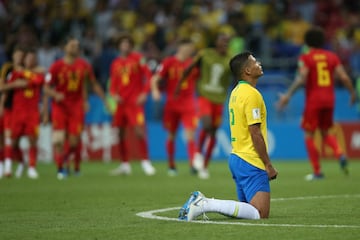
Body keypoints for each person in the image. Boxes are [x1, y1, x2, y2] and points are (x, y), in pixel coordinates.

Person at [178, 52, 278, 221]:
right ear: (247, 70)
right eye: (254, 62)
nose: (259, 63)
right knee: (260, 213)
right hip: (251, 160)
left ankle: (205, 204)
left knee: (247, 211)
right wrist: (268, 164)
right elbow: (255, 132)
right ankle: (205, 204)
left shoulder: (236, 92)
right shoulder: (252, 94)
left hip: (237, 158)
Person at [277, 27, 356, 181]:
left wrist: (288, 95)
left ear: (307, 42)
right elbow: (344, 77)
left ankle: (317, 171)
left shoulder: (307, 57)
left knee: (309, 134)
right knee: (326, 132)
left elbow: (302, 79)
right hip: (330, 100)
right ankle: (340, 153)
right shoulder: (332, 56)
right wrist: (352, 93)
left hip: (314, 100)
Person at [44, 36, 107, 180]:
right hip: (60, 106)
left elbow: (93, 84)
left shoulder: (84, 66)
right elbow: (46, 88)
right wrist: (55, 94)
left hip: (76, 107)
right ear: (65, 48)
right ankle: (60, 168)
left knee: (73, 141)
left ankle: (66, 161)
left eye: (77, 46)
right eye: (71, 45)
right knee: (59, 139)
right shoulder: (56, 66)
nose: (74, 48)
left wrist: (104, 100)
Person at [178, 33, 233, 179]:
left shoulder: (230, 59)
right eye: (222, 42)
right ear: (216, 42)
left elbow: (236, 75)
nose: (224, 45)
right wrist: (180, 83)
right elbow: (190, 67)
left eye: (227, 43)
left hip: (219, 100)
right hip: (205, 97)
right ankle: (197, 154)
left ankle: (204, 166)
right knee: (207, 125)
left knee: (213, 133)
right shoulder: (205, 54)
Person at [109, 34, 155, 176]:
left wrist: (144, 93)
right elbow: (113, 84)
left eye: (128, 43)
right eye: (123, 44)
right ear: (119, 46)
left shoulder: (138, 59)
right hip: (121, 103)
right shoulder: (115, 63)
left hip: (134, 103)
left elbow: (148, 77)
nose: (125, 46)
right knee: (121, 133)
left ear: (131, 45)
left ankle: (146, 162)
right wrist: (113, 94)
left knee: (139, 131)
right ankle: (125, 164)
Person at [151, 39, 199, 176]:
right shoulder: (169, 62)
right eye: (188, 48)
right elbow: (155, 78)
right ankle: (171, 165)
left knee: (190, 134)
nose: (190, 51)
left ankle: (193, 165)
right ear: (181, 47)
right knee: (171, 135)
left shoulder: (193, 64)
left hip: (188, 103)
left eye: (191, 49)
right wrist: (155, 91)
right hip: (172, 104)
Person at [1, 49, 45, 179]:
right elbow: (5, 88)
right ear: (24, 60)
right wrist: (15, 84)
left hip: (32, 113)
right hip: (17, 112)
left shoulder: (36, 74)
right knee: (13, 142)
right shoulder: (14, 73)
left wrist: (25, 78)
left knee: (32, 140)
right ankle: (21, 162)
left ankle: (32, 168)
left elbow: (38, 81)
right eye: (28, 58)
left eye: (33, 59)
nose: (30, 61)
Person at [0, 46, 25, 178]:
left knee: (10, 138)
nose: (19, 58)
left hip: (15, 110)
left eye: (22, 55)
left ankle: (8, 168)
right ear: (13, 56)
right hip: (5, 106)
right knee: (2, 139)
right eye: (18, 55)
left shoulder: (26, 72)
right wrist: (15, 84)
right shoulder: (7, 69)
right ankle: (2, 166)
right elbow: (2, 87)